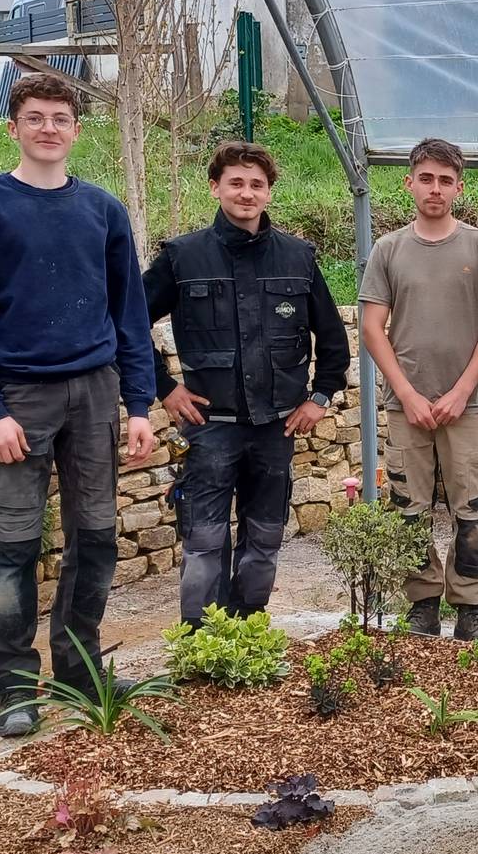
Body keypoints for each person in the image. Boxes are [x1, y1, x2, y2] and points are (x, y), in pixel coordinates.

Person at [0, 73, 158, 738]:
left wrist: (140, 403)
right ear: (13, 128)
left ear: (76, 132)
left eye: (60, 119)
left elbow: (131, 313)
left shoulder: (102, 211)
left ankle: (77, 667)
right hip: (19, 398)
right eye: (34, 118)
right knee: (13, 545)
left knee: (94, 538)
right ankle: (12, 685)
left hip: (93, 390)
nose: (48, 129)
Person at [146, 141, 350, 628]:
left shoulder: (298, 257)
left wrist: (319, 397)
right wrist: (165, 387)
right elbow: (125, 327)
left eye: (257, 184)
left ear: (269, 194)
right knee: (204, 542)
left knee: (264, 538)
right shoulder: (182, 257)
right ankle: (203, 642)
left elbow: (334, 338)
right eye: (236, 183)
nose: (246, 193)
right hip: (211, 428)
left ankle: (249, 631)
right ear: (215, 187)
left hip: (274, 429)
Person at [359, 138, 478, 645]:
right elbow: (372, 327)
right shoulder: (389, 250)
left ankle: (471, 608)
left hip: (465, 406)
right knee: (408, 509)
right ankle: (421, 605)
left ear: (459, 188)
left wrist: (461, 391)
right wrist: (406, 393)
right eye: (426, 178)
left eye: (446, 180)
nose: (435, 188)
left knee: (472, 508)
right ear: (409, 183)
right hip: (407, 406)